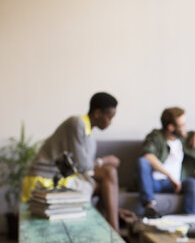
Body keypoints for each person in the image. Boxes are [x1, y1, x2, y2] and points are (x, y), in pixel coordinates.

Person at [22, 92, 129, 231]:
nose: (110, 122)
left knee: (106, 182)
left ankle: (109, 227)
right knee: (109, 172)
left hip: (62, 178)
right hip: (44, 179)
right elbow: (83, 166)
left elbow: (82, 168)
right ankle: (115, 231)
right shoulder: (77, 123)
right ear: (97, 113)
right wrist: (105, 160)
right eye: (109, 117)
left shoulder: (90, 136)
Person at [137, 107, 195, 218]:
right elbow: (148, 155)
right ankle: (150, 206)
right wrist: (169, 176)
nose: (185, 127)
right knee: (142, 161)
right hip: (155, 183)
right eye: (182, 125)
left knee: (193, 183)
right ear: (171, 127)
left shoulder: (182, 138)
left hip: (177, 185)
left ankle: (188, 218)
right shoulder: (156, 137)